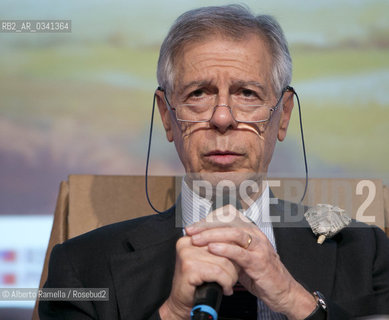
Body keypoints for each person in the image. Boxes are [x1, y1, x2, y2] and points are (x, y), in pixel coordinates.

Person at [39, 4, 389, 320]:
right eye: (198, 94)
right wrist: (173, 313)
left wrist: (293, 299)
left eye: (247, 93)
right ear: (167, 117)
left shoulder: (366, 252)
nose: (222, 118)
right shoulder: (81, 267)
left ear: (283, 117)